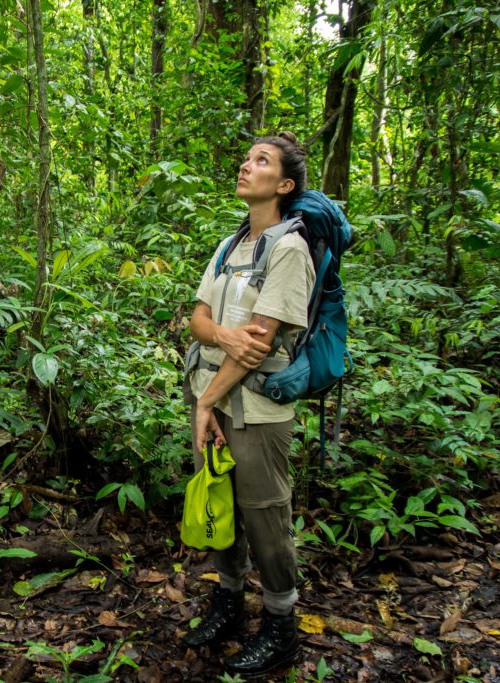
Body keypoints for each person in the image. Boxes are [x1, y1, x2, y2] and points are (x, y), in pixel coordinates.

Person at [182, 133, 314, 677]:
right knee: (220, 508)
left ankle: (282, 628)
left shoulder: (290, 248)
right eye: (247, 157)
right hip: (208, 397)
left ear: (282, 185)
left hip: (254, 411)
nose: (246, 164)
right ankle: (229, 604)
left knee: (265, 518)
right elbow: (196, 319)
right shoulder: (230, 244)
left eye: (262, 161)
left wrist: (207, 402)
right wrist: (223, 337)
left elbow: (260, 342)